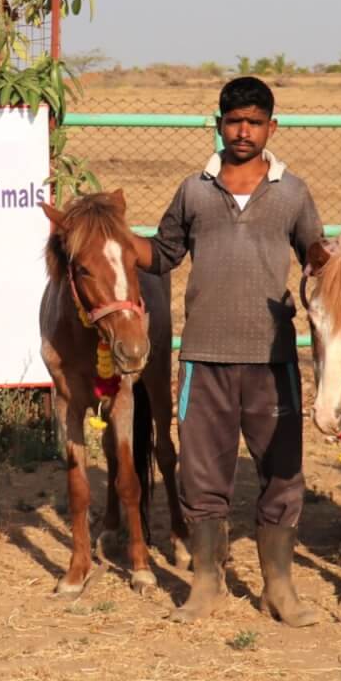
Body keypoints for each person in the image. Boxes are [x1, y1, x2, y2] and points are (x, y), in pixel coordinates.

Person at [141, 76, 323, 626]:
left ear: (273, 125)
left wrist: (329, 258)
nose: (243, 132)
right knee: (201, 471)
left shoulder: (292, 193)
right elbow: (162, 253)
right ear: (217, 123)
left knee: (282, 470)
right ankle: (205, 582)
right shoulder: (194, 190)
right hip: (204, 355)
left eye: (254, 122)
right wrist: (112, 239)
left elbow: (313, 252)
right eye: (233, 121)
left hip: (273, 359)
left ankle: (279, 587)